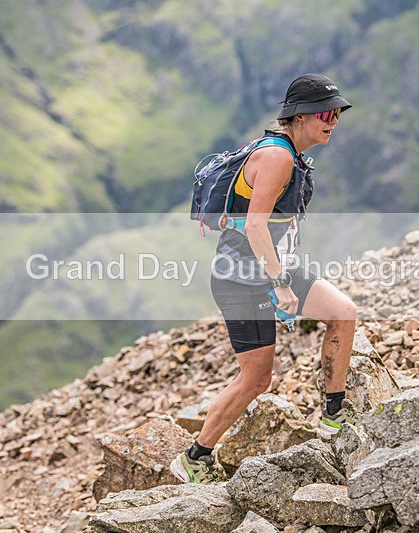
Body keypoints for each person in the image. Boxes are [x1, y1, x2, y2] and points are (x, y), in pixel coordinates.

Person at [171, 74, 359, 484]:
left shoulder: (287, 152)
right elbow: (256, 225)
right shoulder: (278, 157)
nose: (334, 121)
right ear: (299, 116)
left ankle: (334, 415)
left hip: (274, 266)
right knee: (256, 380)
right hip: (241, 280)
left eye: (338, 113)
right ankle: (194, 457)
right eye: (326, 113)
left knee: (343, 313)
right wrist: (280, 284)